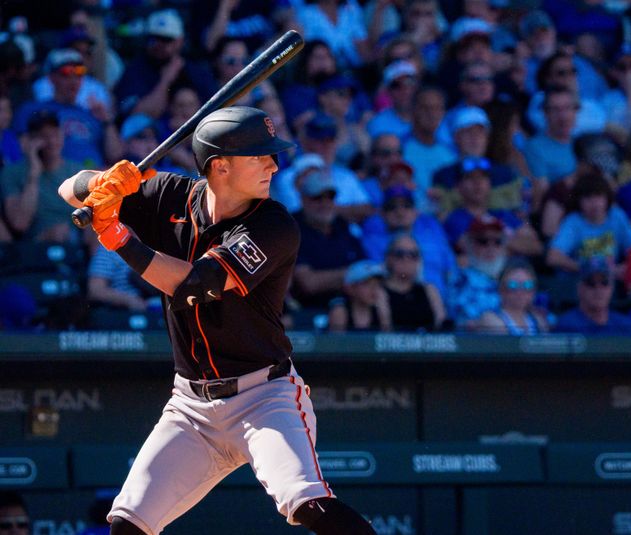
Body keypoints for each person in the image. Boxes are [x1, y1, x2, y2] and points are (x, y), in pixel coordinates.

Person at [58, 106, 376, 534]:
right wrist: (103, 185)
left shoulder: (275, 223)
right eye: (259, 156)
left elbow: (193, 285)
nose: (273, 164)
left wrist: (119, 238)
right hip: (190, 408)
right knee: (127, 523)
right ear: (220, 166)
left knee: (308, 503)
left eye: (271, 155)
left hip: (264, 396)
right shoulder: (169, 195)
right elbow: (68, 189)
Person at [360, 185, 456, 302]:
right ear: (382, 213)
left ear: (416, 212)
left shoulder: (434, 239)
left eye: (407, 206)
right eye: (392, 207)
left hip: (442, 303)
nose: (400, 212)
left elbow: (452, 273)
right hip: (398, 304)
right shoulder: (371, 243)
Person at [1, 110, 84, 242]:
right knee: (57, 233)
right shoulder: (12, 173)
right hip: (35, 247)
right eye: (43, 136)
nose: (51, 141)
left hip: (78, 241)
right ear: (31, 140)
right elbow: (19, 223)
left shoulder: (78, 171)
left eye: (55, 134)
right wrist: (33, 173)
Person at [291, 171, 366, 311]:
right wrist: (353, 274)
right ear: (303, 199)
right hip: (309, 312)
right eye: (317, 198)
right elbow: (309, 284)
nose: (325, 203)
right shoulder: (292, 227)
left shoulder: (341, 224)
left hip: (350, 308)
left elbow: (365, 266)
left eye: (330, 197)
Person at [546, 168, 631, 277]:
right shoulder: (573, 221)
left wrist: (625, 267)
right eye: (588, 198)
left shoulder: (616, 216)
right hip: (580, 282)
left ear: (607, 198)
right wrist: (587, 270)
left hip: (610, 281)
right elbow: (553, 257)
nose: (594, 203)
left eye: (599, 196)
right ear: (578, 200)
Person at [382, 232, 448, 332]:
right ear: (389, 258)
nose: (407, 259)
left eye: (413, 254)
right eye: (400, 254)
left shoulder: (430, 290)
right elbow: (384, 331)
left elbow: (442, 326)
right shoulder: (379, 291)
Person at [556, 256, 631, 334]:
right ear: (580, 289)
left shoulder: (625, 325)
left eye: (604, 283)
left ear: (612, 288)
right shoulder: (566, 326)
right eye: (591, 283)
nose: (598, 289)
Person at [475, 260, 549, 335]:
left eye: (527, 285)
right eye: (513, 285)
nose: (520, 291)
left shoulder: (538, 321)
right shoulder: (490, 319)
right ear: (501, 288)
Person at [328, 259, 391, 332]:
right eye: (366, 283)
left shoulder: (381, 309)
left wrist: (384, 315)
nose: (374, 289)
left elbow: (387, 341)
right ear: (350, 288)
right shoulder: (340, 310)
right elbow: (335, 342)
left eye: (378, 284)